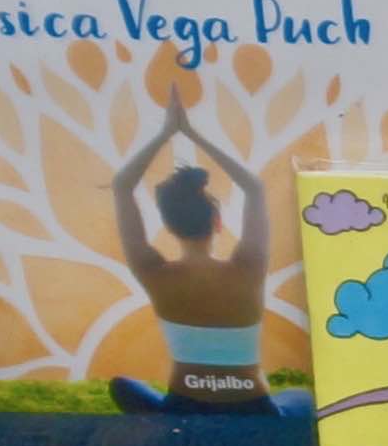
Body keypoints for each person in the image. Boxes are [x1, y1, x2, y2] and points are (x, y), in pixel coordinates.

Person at [110, 89, 279, 411]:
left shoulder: (152, 272)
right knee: (301, 399)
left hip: (182, 406)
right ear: (217, 222)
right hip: (255, 408)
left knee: (122, 386)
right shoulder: (249, 267)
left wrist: (167, 133)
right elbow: (254, 189)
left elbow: (121, 186)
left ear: (168, 226)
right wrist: (192, 134)